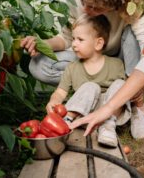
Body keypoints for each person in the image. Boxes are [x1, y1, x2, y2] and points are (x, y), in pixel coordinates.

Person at [21, 0, 144, 138]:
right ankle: (94, 95)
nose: (87, 11)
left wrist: (108, 109)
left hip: (122, 63)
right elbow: (66, 38)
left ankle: (133, 105)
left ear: (116, 4)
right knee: (39, 64)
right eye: (84, 3)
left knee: (134, 38)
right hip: (90, 58)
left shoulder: (137, 3)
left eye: (96, 9)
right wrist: (42, 44)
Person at [46, 14, 130, 147]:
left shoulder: (116, 64)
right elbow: (60, 92)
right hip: (83, 114)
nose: (73, 44)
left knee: (121, 85)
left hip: (108, 114)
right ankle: (67, 121)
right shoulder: (72, 67)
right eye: (73, 39)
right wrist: (53, 101)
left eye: (80, 39)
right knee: (91, 86)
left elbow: (123, 96)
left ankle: (107, 127)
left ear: (98, 43)